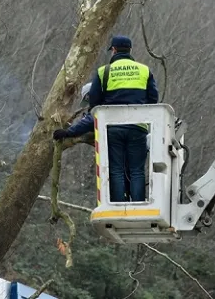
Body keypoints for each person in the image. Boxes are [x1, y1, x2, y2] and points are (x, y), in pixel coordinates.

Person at [53, 35, 159, 202]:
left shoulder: (104, 72)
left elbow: (95, 105)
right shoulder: (144, 70)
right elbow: (153, 99)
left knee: (115, 169)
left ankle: (118, 204)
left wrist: (68, 132)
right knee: (137, 170)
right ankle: (138, 203)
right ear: (130, 50)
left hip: (113, 128)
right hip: (138, 126)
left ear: (114, 50)